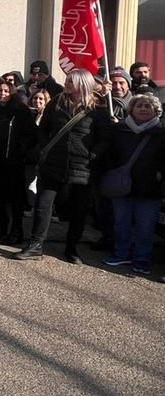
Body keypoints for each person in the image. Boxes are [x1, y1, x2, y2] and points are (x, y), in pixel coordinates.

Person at [14, 69, 103, 263]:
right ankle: (36, 245)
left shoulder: (97, 108)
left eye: (72, 80)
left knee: (78, 210)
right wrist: (47, 146)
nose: (67, 83)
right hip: (53, 164)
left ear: (83, 83)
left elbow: (104, 138)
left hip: (82, 168)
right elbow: (42, 129)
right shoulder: (57, 102)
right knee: (43, 206)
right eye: (68, 79)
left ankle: (72, 248)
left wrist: (92, 155)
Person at [101, 94, 165, 275]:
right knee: (121, 224)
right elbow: (109, 155)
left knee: (145, 228)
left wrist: (160, 175)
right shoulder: (120, 130)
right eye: (140, 105)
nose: (144, 109)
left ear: (156, 111)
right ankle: (121, 254)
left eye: (148, 106)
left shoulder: (161, 133)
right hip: (122, 187)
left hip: (150, 190)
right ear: (132, 109)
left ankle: (141, 259)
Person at [0, 81, 37, 244]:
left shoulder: (20, 111)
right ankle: (0, 226)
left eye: (6, 91)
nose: (2, 93)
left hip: (14, 162)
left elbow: (31, 134)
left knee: (15, 199)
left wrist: (20, 148)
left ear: (12, 93)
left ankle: (16, 230)